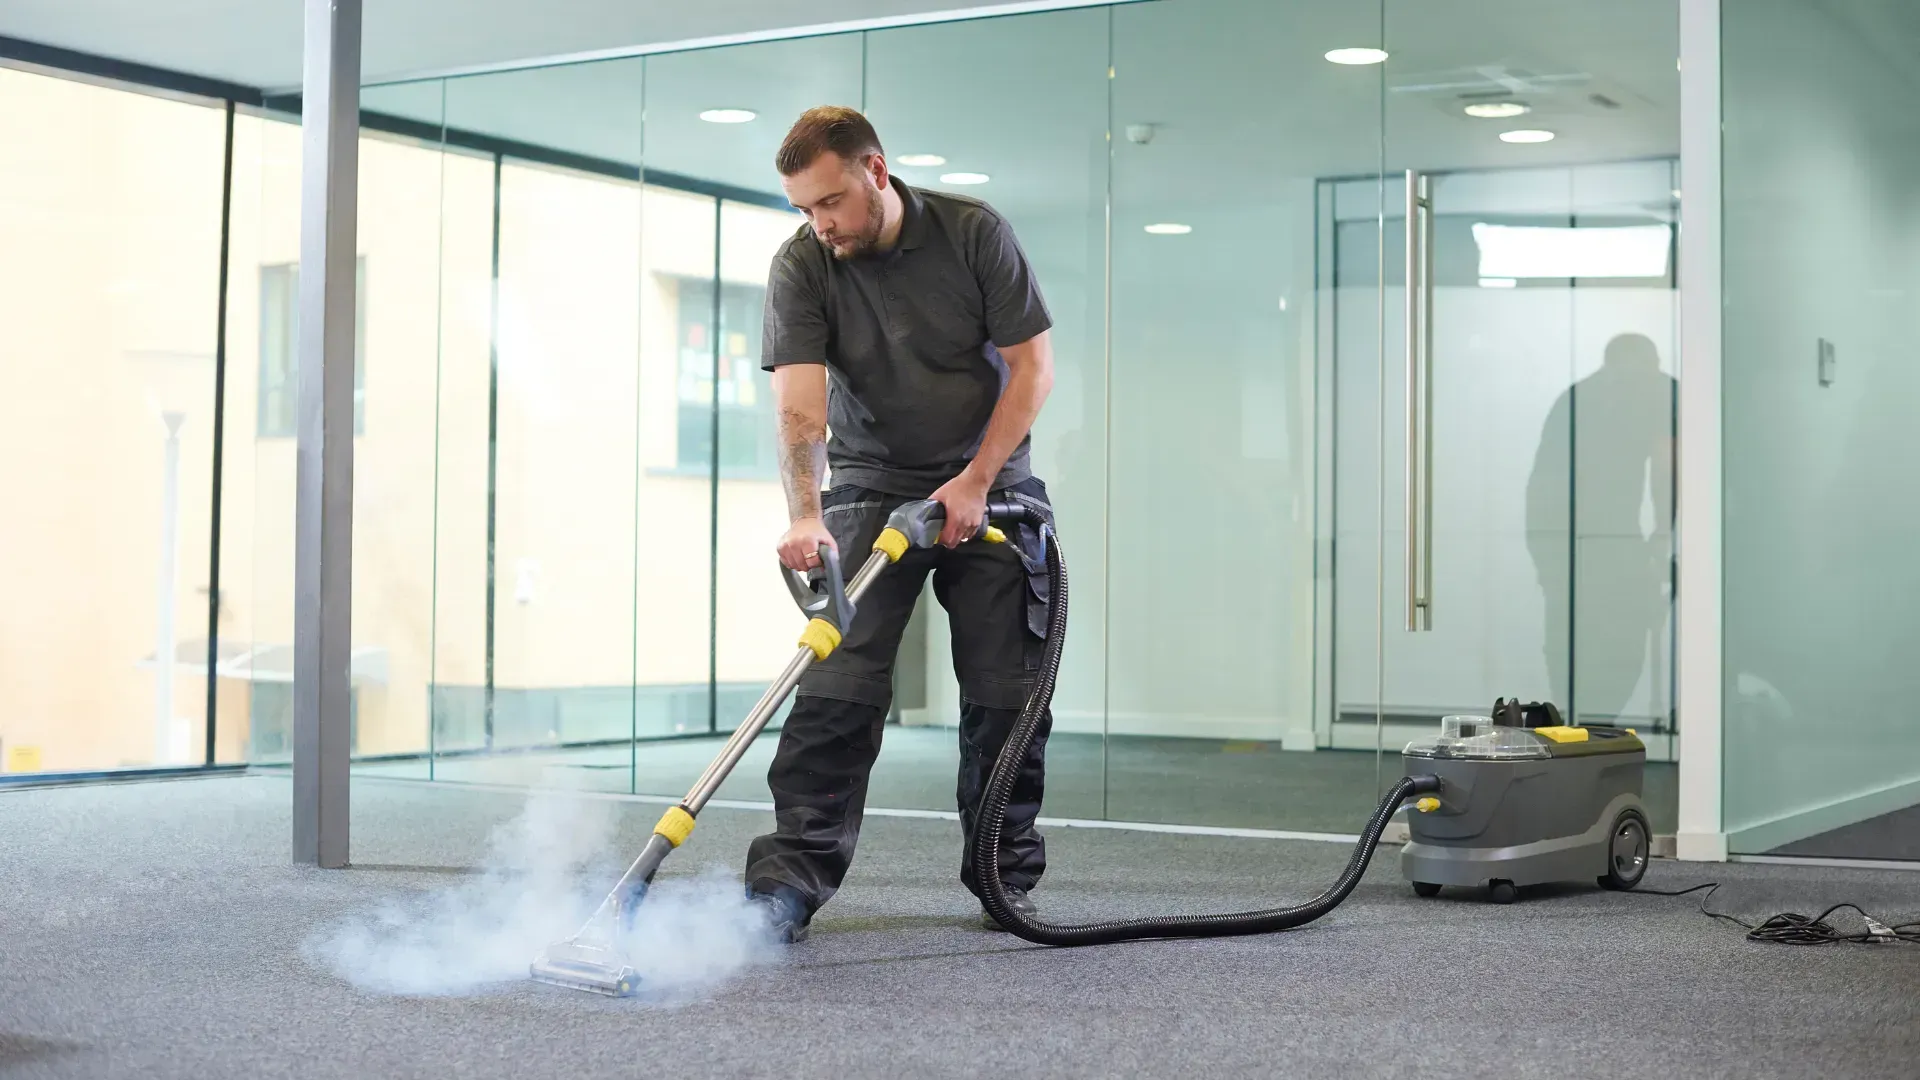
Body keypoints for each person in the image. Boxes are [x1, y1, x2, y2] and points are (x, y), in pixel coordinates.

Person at [742, 105, 1058, 942]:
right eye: (804, 209)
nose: (821, 224)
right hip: (873, 482)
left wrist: (975, 481)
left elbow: (1033, 369)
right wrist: (805, 515)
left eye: (831, 201)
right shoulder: (804, 263)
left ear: (875, 171)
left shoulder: (973, 234)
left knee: (1007, 695)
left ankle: (1001, 872)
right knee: (835, 688)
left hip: (991, 485)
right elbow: (800, 405)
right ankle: (788, 884)